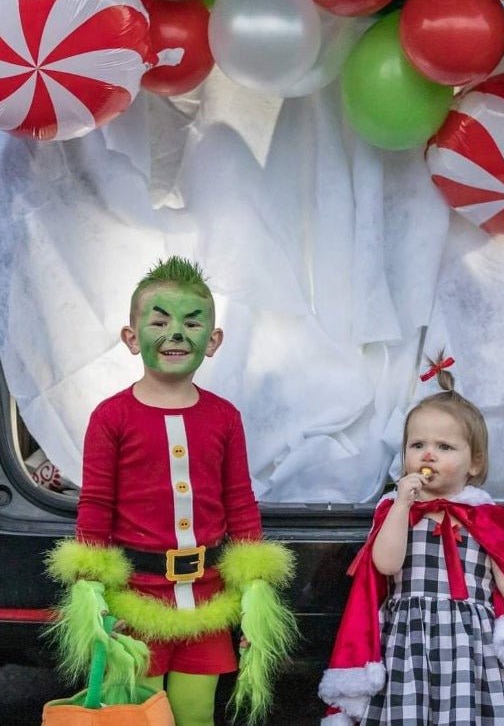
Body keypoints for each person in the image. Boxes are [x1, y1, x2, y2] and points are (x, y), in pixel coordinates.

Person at [46, 257, 296, 726]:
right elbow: (96, 505)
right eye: (159, 322)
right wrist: (91, 587)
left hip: (208, 600)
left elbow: (240, 502)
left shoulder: (225, 417)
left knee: (196, 713)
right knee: (141, 714)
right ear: (131, 337)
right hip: (136, 600)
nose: (176, 333)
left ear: (213, 341)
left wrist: (253, 587)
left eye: (192, 323)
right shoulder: (110, 417)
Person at [319, 356, 504, 725]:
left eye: (444, 447)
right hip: (409, 642)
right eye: (417, 444)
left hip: (471, 645)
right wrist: (401, 504)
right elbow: (386, 565)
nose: (428, 454)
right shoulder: (396, 510)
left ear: (475, 463)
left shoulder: (485, 518)